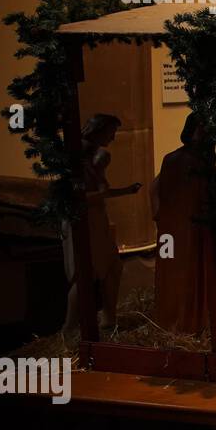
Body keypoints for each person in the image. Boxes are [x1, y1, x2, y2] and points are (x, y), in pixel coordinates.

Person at [62, 113, 140, 338]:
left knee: (113, 266)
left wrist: (126, 190)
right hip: (81, 219)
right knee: (84, 273)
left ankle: (108, 318)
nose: (114, 137)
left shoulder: (97, 156)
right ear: (99, 130)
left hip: (96, 218)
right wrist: (101, 194)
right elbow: (76, 197)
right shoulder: (79, 156)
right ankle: (69, 327)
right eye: (111, 132)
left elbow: (101, 192)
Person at [152, 112, 216, 336]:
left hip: (195, 227)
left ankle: (195, 319)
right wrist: (160, 216)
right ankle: (177, 319)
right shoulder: (174, 160)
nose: (202, 134)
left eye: (206, 130)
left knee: (194, 270)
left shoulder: (204, 163)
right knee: (178, 271)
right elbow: (159, 188)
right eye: (199, 128)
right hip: (178, 227)